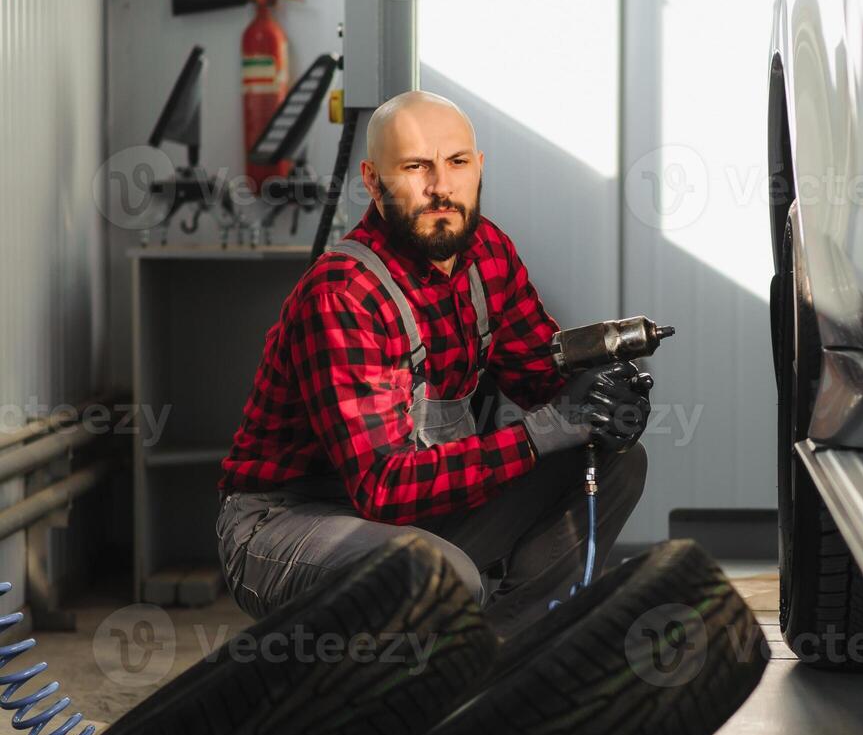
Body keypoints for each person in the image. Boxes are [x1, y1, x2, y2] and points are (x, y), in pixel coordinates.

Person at [215, 90, 649, 621]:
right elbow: (383, 487)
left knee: (616, 465)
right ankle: (390, 685)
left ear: (479, 167)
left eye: (457, 163)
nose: (441, 187)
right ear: (374, 181)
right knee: (441, 575)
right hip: (287, 525)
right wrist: (547, 429)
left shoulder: (488, 252)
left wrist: (602, 397)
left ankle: (504, 660)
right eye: (416, 167)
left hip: (416, 515)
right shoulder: (343, 293)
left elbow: (540, 377)